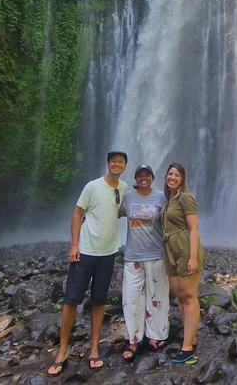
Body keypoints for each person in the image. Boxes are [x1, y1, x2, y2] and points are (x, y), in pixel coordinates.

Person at [47, 150, 129, 377]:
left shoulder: (123, 189)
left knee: (99, 301)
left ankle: (94, 349)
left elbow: (125, 211)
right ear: (108, 164)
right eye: (113, 161)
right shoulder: (92, 186)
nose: (116, 164)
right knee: (71, 300)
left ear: (125, 166)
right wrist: (74, 245)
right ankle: (62, 351)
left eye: (120, 162)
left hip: (108, 253)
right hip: (85, 252)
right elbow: (77, 214)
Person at [118, 163, 169, 362]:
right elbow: (111, 213)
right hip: (132, 256)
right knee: (131, 298)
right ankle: (134, 339)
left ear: (152, 177)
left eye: (147, 174)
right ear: (136, 178)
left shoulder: (161, 197)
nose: (143, 178)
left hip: (156, 255)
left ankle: (156, 336)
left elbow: (172, 219)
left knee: (158, 297)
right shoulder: (128, 197)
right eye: (140, 175)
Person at [162, 162, 203, 365]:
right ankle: (191, 339)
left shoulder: (186, 197)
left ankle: (187, 349)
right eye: (170, 174)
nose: (173, 177)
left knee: (189, 295)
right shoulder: (168, 199)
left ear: (182, 179)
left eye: (177, 175)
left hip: (185, 249)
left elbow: (194, 228)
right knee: (179, 296)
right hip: (171, 250)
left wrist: (193, 257)